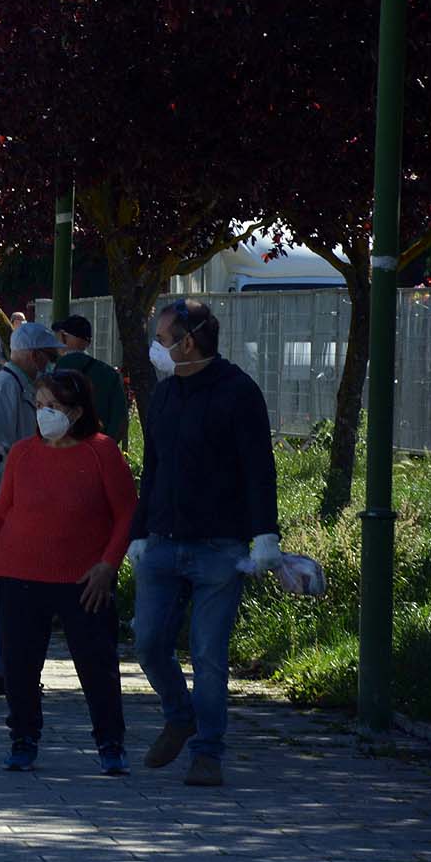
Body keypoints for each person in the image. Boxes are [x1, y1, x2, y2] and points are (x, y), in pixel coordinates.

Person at [131, 298, 281, 788]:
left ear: (188, 341)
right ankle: (180, 714)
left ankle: (207, 752)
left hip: (220, 546)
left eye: (162, 336)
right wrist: (138, 530)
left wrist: (264, 537)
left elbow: (260, 469)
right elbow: (152, 468)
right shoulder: (166, 394)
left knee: (209, 654)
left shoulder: (238, 392)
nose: (157, 345)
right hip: (162, 542)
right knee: (149, 643)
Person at [0, 370, 137, 774]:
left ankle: (110, 743)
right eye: (41, 405)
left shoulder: (102, 452)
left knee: (97, 663)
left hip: (84, 580)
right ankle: (23, 737)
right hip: (19, 573)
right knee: (19, 665)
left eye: (56, 406)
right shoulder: (23, 453)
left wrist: (108, 566)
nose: (45, 413)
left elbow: (127, 514)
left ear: (78, 411)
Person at [0, 320, 62, 692]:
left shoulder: (24, 386)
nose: (48, 362)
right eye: (45, 355)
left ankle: (2, 664)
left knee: (8, 584)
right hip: (2, 501)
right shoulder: (4, 387)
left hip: (19, 500)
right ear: (30, 354)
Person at [54, 314, 129, 444]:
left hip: (60, 449)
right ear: (88, 342)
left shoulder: (51, 374)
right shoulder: (109, 374)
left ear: (63, 337)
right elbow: (121, 421)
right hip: (98, 450)